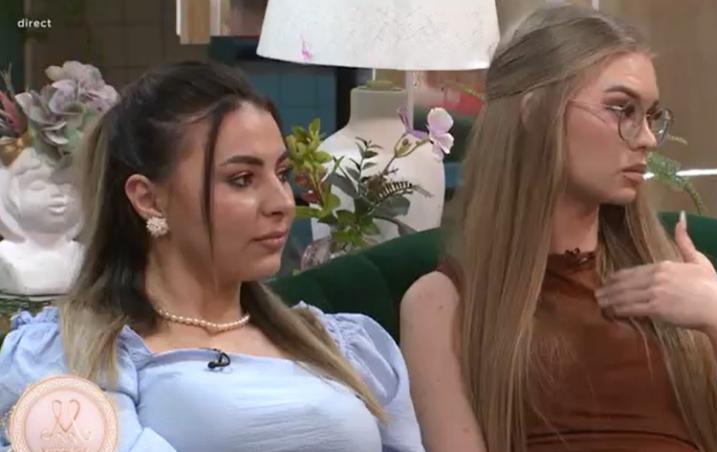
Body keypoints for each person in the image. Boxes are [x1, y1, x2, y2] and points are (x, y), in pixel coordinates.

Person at [400, 5, 717, 452]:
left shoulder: (674, 282)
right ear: (535, 113)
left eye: (650, 116)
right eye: (621, 109)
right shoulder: (444, 303)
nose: (646, 138)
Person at [0, 61, 424, 452]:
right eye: (241, 179)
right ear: (148, 199)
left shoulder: (344, 346)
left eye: (281, 174)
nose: (282, 202)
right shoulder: (73, 356)